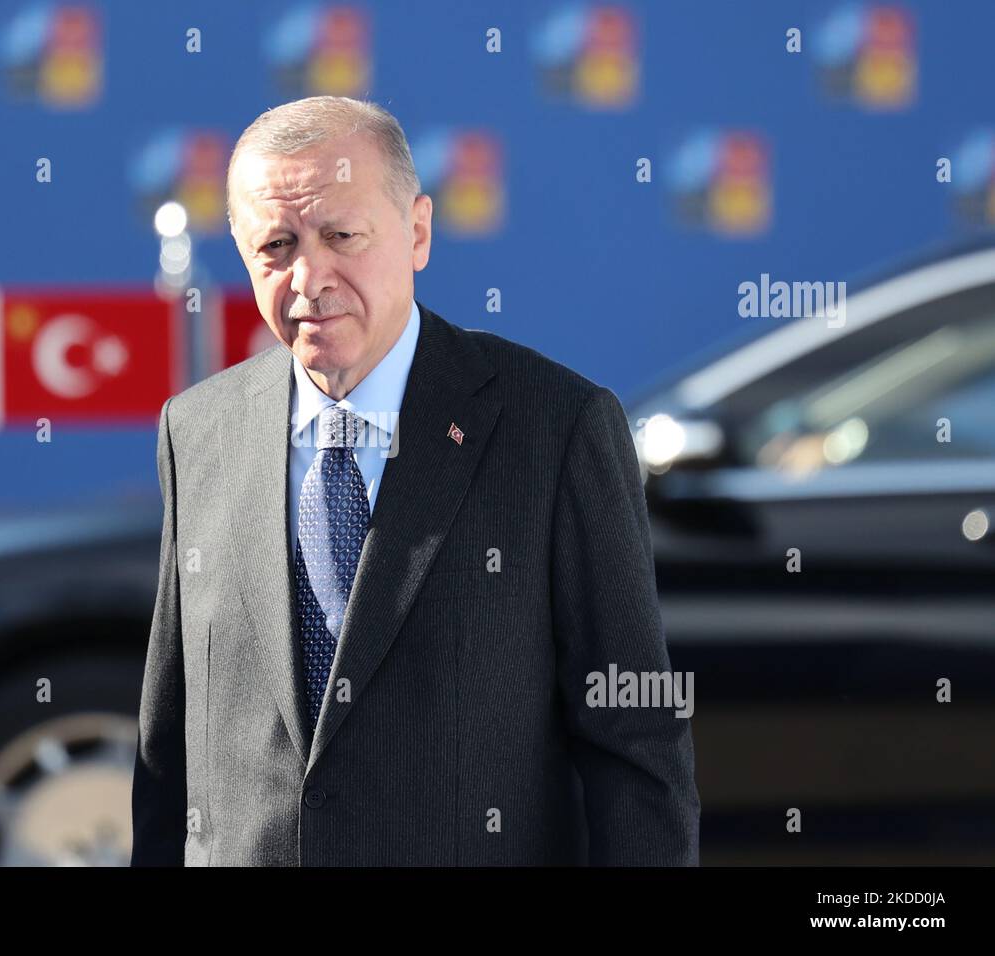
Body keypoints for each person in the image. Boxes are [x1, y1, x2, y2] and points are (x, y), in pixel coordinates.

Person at [131, 95, 699, 866]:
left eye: (341, 235)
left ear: (418, 231)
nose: (309, 278)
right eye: (276, 245)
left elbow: (635, 742)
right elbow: (169, 750)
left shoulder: (554, 427)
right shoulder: (196, 432)